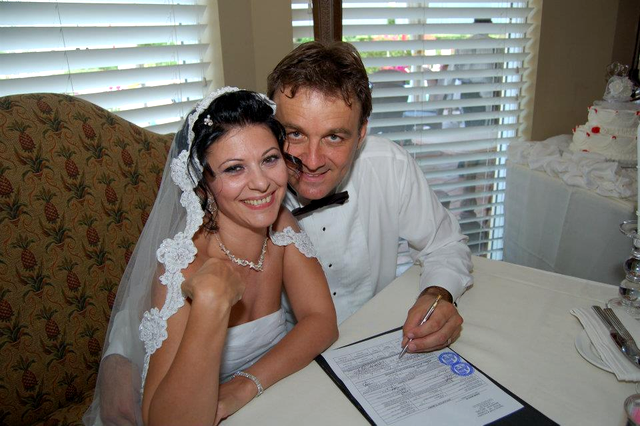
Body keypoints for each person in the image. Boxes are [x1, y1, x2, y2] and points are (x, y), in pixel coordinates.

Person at [83, 88, 338, 425]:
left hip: (261, 395)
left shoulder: (281, 227)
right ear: (202, 183)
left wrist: (244, 386)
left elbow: (321, 321)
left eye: (269, 159)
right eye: (234, 169)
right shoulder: (183, 270)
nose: (261, 183)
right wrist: (210, 306)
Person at [267, 41, 473, 354]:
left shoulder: (390, 165)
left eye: (334, 137)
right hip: (285, 356)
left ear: (361, 134)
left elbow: (444, 244)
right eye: (295, 134)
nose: (312, 161)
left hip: (378, 343)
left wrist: (437, 294)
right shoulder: (247, 189)